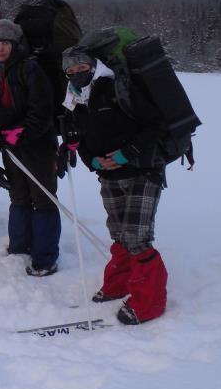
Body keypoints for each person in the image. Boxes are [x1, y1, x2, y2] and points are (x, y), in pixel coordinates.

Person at [61, 44, 169, 324]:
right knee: (120, 234)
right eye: (70, 70)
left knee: (137, 236)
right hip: (108, 175)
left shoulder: (118, 87)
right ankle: (119, 284)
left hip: (142, 171)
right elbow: (82, 137)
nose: (76, 73)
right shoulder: (76, 97)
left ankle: (149, 303)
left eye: (81, 68)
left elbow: (156, 123)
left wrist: (127, 153)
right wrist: (91, 160)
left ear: (93, 66)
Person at [0, 19, 61, 276]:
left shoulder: (30, 70)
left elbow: (42, 113)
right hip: (10, 146)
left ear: (15, 45)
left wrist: (14, 136)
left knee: (43, 199)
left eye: (5, 43)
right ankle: (20, 245)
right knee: (19, 195)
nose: (0, 48)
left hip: (38, 146)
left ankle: (45, 256)